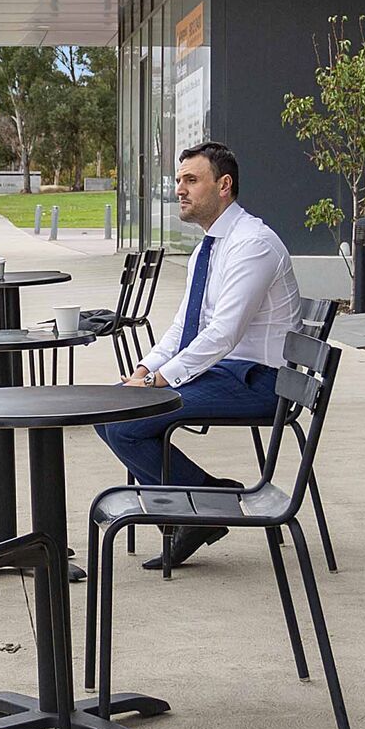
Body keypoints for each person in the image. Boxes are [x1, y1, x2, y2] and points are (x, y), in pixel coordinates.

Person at [99, 140, 300, 572]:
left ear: (223, 185)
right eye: (179, 181)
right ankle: (206, 502)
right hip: (227, 373)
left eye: (191, 180)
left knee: (123, 421)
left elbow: (223, 333)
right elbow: (183, 326)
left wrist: (162, 381)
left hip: (261, 381)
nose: (180, 190)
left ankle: (201, 509)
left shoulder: (253, 244)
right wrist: (146, 368)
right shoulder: (206, 248)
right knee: (111, 409)